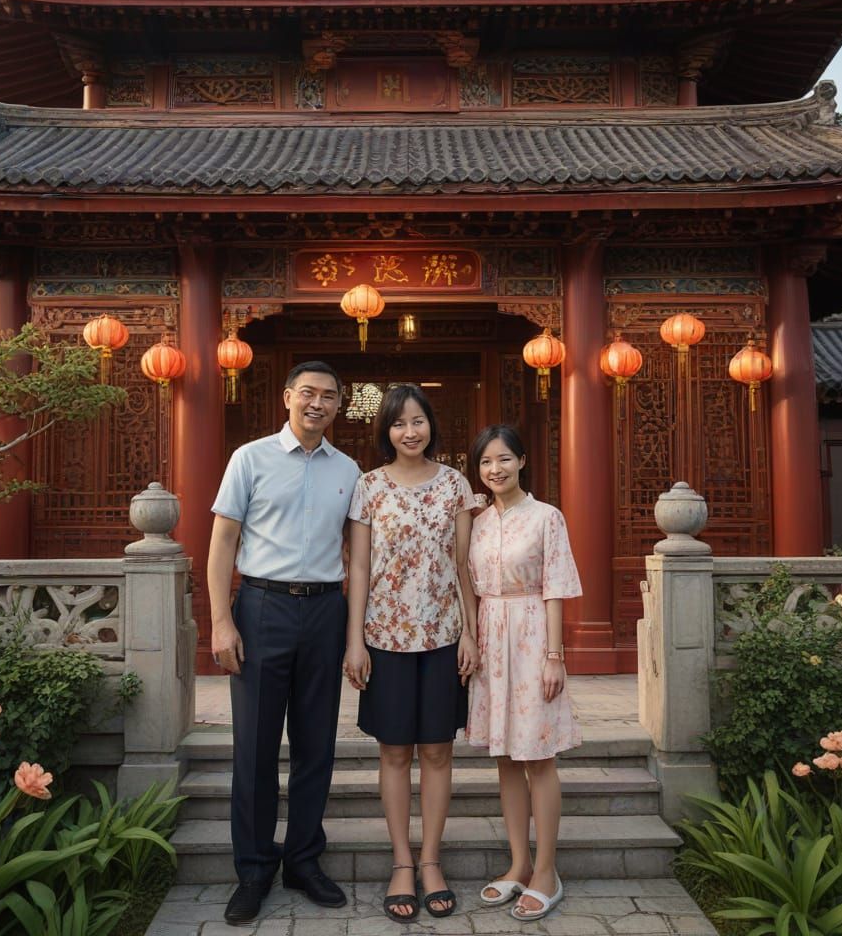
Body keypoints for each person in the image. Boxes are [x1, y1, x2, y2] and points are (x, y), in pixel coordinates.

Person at [208, 361, 361, 926]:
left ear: (340, 405)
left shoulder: (349, 469)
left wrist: (354, 633)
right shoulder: (250, 458)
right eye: (308, 393)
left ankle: (302, 861)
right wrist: (222, 622)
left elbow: (357, 553)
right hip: (262, 606)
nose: (316, 403)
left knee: (316, 743)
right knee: (254, 747)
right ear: (287, 397)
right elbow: (223, 541)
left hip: (325, 608)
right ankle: (253, 870)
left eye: (328, 395)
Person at [342, 384, 479, 924]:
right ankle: (401, 861)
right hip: (385, 637)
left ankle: (430, 861)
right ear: (386, 432)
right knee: (395, 751)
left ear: (431, 426)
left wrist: (471, 632)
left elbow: (464, 563)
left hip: (445, 636)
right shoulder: (369, 487)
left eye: (418, 421)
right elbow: (357, 566)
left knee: (439, 752)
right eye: (400, 424)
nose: (410, 432)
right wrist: (354, 640)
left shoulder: (455, 485)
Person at [464, 424, 583, 922]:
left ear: (522, 461)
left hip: (533, 634)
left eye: (504, 459)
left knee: (540, 756)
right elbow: (467, 585)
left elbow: (555, 586)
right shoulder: (477, 521)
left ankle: (547, 872)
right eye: (487, 462)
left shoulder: (546, 518)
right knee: (507, 758)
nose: (496, 469)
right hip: (492, 639)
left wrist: (554, 655)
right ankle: (518, 864)